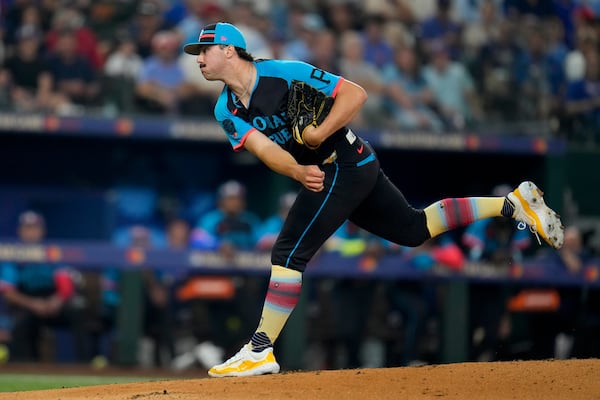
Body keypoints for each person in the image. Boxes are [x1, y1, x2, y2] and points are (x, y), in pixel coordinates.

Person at [182, 22, 564, 378]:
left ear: (230, 50)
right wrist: (298, 171)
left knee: (286, 254)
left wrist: (320, 134)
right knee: (416, 229)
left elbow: (354, 93)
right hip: (340, 168)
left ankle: (260, 348)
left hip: (344, 162)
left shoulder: (284, 70)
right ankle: (512, 204)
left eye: (204, 50)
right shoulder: (225, 108)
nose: (198, 59)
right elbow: (264, 149)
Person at [0, 210, 86, 362]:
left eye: (35, 228)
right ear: (20, 231)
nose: (31, 232)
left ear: (42, 231)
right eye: (27, 228)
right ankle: (24, 367)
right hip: (27, 303)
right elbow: (8, 292)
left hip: (53, 302)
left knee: (78, 312)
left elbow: (65, 283)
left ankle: (87, 365)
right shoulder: (13, 254)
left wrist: (56, 301)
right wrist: (34, 304)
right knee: (20, 324)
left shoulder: (51, 252)